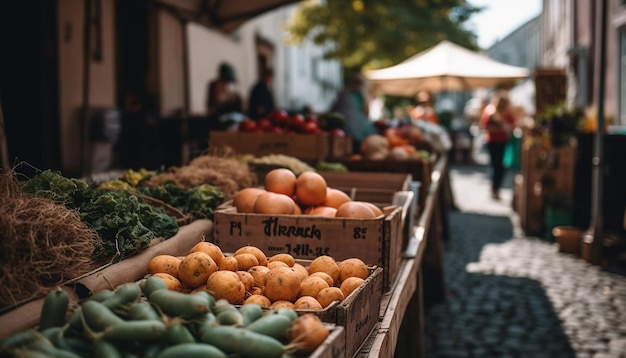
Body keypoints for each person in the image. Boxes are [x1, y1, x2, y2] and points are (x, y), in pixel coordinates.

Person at [479, 92, 516, 200]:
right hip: (493, 141)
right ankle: (495, 188)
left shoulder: (507, 114)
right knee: (496, 165)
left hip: (503, 142)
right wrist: (500, 129)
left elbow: (512, 125)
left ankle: (495, 187)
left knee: (501, 166)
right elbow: (484, 126)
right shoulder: (491, 112)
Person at [331, 73, 376, 153]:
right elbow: (366, 113)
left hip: (342, 132)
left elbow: (332, 111)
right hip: (358, 133)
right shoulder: (362, 95)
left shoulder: (343, 93)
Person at [206, 62, 243, 130]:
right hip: (216, 118)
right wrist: (230, 96)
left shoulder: (225, 86)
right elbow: (219, 101)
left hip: (225, 117)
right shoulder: (216, 85)